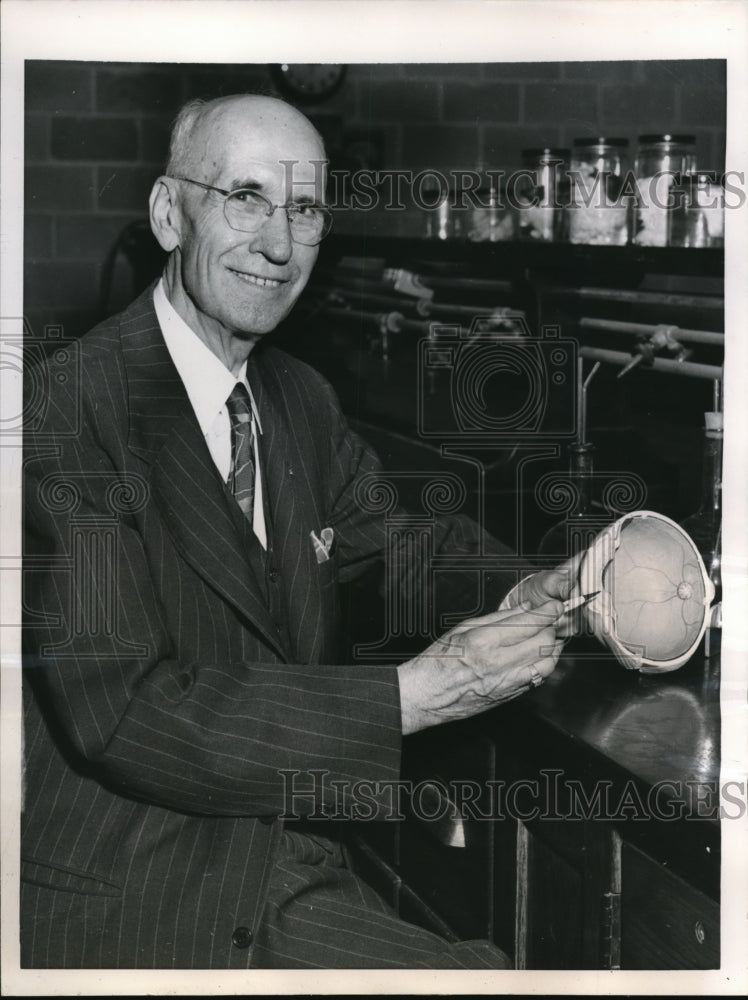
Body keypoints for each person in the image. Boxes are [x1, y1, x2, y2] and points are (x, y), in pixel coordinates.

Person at [21, 94, 576, 969]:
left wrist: (553, 586)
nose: (279, 246)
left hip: (284, 854)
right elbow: (124, 714)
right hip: (141, 883)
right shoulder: (67, 408)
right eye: (245, 198)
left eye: (305, 209)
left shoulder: (296, 398)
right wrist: (413, 695)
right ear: (171, 214)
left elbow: (398, 544)